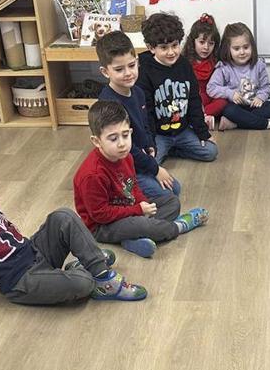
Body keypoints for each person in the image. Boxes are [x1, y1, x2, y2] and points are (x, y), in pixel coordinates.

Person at [0, 133, 146, 306]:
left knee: (62, 216)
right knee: (82, 284)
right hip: (19, 280)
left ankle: (103, 277)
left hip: (32, 251)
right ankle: (88, 269)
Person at [74, 101, 209, 258]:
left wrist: (143, 204)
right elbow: (100, 215)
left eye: (125, 135)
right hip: (102, 226)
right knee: (141, 224)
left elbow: (133, 187)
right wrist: (138, 210)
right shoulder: (92, 175)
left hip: (127, 209)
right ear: (97, 141)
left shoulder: (126, 156)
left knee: (171, 201)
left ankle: (133, 238)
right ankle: (177, 227)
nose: (122, 144)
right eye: (113, 139)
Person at [96, 31, 179, 201]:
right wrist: (155, 169)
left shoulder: (138, 92)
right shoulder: (109, 105)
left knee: (174, 188)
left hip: (139, 162)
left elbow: (146, 123)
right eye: (119, 69)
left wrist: (150, 144)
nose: (128, 73)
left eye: (131, 65)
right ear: (105, 72)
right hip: (121, 170)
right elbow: (123, 148)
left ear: (137, 62)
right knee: (168, 195)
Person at [136, 12, 217, 163]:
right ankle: (165, 149)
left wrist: (203, 133)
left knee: (211, 151)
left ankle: (173, 150)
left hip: (182, 131)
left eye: (174, 45)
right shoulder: (144, 70)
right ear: (151, 48)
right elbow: (146, 111)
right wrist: (150, 143)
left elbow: (194, 100)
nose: (171, 52)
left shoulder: (185, 65)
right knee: (151, 163)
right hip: (159, 134)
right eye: (164, 47)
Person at [206, 22, 270, 131]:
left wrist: (260, 97)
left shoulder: (258, 65)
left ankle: (236, 124)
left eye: (246, 47)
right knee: (228, 110)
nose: (242, 52)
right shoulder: (224, 68)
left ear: (252, 46)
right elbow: (211, 88)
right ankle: (269, 124)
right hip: (236, 107)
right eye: (236, 49)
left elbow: (266, 87)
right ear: (228, 49)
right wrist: (230, 93)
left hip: (254, 106)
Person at [183, 14, 224, 133]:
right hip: (193, 98)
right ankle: (201, 117)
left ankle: (202, 116)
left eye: (211, 43)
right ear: (193, 41)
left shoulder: (216, 61)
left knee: (223, 102)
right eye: (202, 42)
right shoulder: (185, 61)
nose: (206, 47)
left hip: (210, 99)